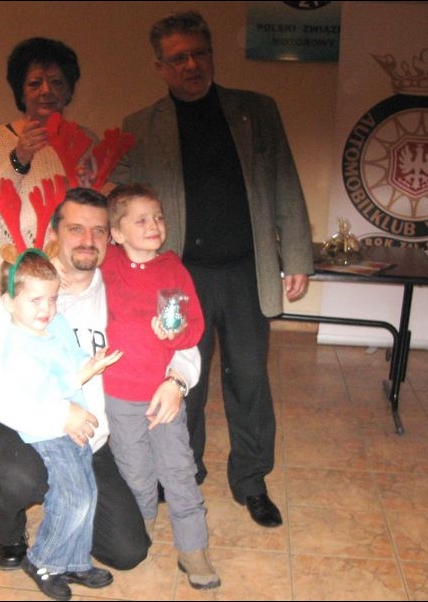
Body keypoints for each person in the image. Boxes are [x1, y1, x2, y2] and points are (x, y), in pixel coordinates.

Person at [111, 11, 314, 529]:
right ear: (160, 66)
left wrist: (296, 256)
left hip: (247, 271)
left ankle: (251, 481)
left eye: (199, 53)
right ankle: (183, 470)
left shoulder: (256, 111)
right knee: (184, 381)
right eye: (178, 57)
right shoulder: (139, 126)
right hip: (180, 278)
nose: (191, 65)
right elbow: (119, 196)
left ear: (211, 54)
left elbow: (284, 180)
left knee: (249, 378)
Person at [0, 188, 201, 574]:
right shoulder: (24, 289)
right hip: (26, 425)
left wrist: (178, 379)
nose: (88, 240)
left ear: (112, 237)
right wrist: (57, 415)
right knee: (16, 478)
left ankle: (68, 510)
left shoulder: (121, 285)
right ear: (54, 233)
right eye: (76, 228)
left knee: (127, 550)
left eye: (98, 231)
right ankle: (8, 526)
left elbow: (179, 336)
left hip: (91, 438)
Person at [101, 184, 219, 590]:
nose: (153, 225)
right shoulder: (106, 263)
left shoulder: (172, 270)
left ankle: (193, 548)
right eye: (141, 220)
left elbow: (192, 326)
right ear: (117, 232)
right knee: (135, 473)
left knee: (179, 471)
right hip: (118, 396)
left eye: (158, 217)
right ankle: (141, 530)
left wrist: (175, 333)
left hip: (163, 396)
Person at [0, 246, 120, 600]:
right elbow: (41, 390)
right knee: (72, 497)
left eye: (51, 299)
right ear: (9, 303)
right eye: (35, 300)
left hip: (72, 423)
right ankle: (43, 560)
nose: (46, 309)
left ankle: (74, 560)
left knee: (88, 493)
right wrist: (81, 376)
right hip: (47, 430)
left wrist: (88, 361)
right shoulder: (16, 344)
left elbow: (72, 354)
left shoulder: (57, 324)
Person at [0, 37, 96, 301]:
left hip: (70, 275)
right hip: (14, 274)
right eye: (35, 83)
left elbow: (97, 214)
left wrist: (90, 187)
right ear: (20, 91)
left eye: (57, 82)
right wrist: (19, 157)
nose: (46, 91)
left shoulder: (85, 141)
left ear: (69, 90)